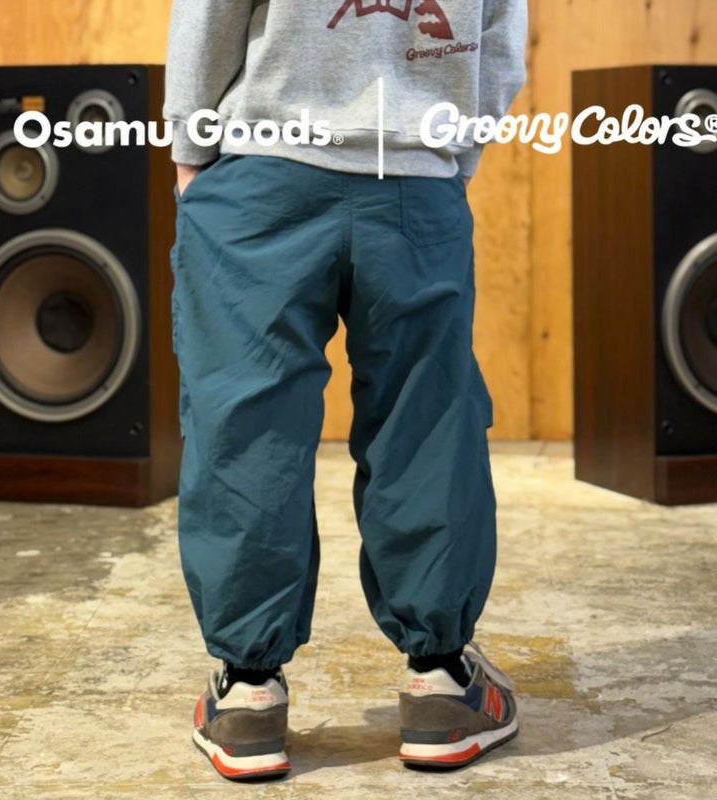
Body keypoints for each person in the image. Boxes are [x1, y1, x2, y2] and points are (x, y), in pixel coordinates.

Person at [164, 0, 527, 781]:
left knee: (248, 421)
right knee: (427, 422)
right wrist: (451, 153)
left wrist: (191, 146)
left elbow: (209, 14)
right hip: (415, 180)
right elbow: (499, 38)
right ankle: (440, 685)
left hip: (262, 176)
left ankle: (248, 694)